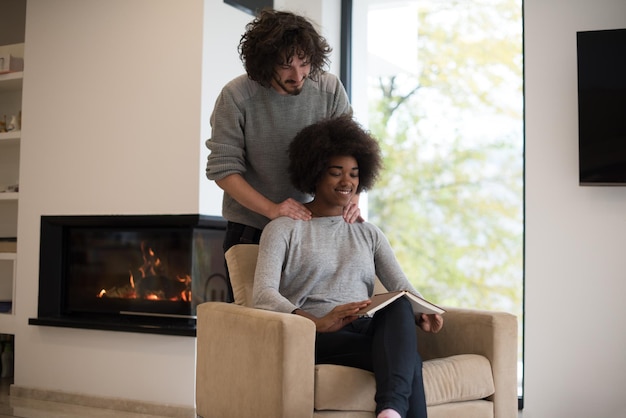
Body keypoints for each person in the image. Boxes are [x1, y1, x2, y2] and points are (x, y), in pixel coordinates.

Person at [253, 115, 444, 418]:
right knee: (409, 362)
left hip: (364, 328)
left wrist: (425, 311)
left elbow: (401, 287)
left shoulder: (368, 233)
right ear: (314, 173)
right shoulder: (284, 229)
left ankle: (390, 411)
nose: (347, 182)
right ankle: (392, 409)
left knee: (398, 306)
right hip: (316, 334)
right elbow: (262, 294)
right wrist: (315, 322)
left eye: (354, 174)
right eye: (336, 172)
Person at [205, 9, 358, 300]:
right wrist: (272, 209)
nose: (298, 75)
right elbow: (223, 170)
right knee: (256, 325)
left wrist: (352, 198)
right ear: (264, 63)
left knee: (315, 321)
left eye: (304, 63)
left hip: (314, 227)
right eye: (286, 66)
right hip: (251, 228)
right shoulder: (236, 96)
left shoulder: (328, 89)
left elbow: (350, 152)